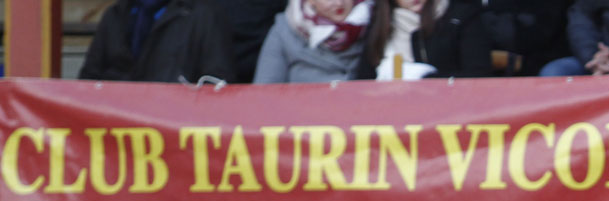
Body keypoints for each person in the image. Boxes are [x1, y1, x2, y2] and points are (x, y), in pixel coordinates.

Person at [79, 0, 237, 83]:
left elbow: (217, 87)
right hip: (116, 133)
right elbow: (87, 82)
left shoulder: (205, 15)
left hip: (175, 134)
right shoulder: (115, 15)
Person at [253, 0, 393, 83]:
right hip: (302, 125)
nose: (338, 3)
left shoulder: (378, 21)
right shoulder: (284, 30)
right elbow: (263, 93)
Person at [375, 0, 493, 78]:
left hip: (453, 109)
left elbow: (478, 74)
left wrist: (424, 77)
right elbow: (364, 78)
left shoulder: (462, 16)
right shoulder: (381, 24)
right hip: (394, 108)